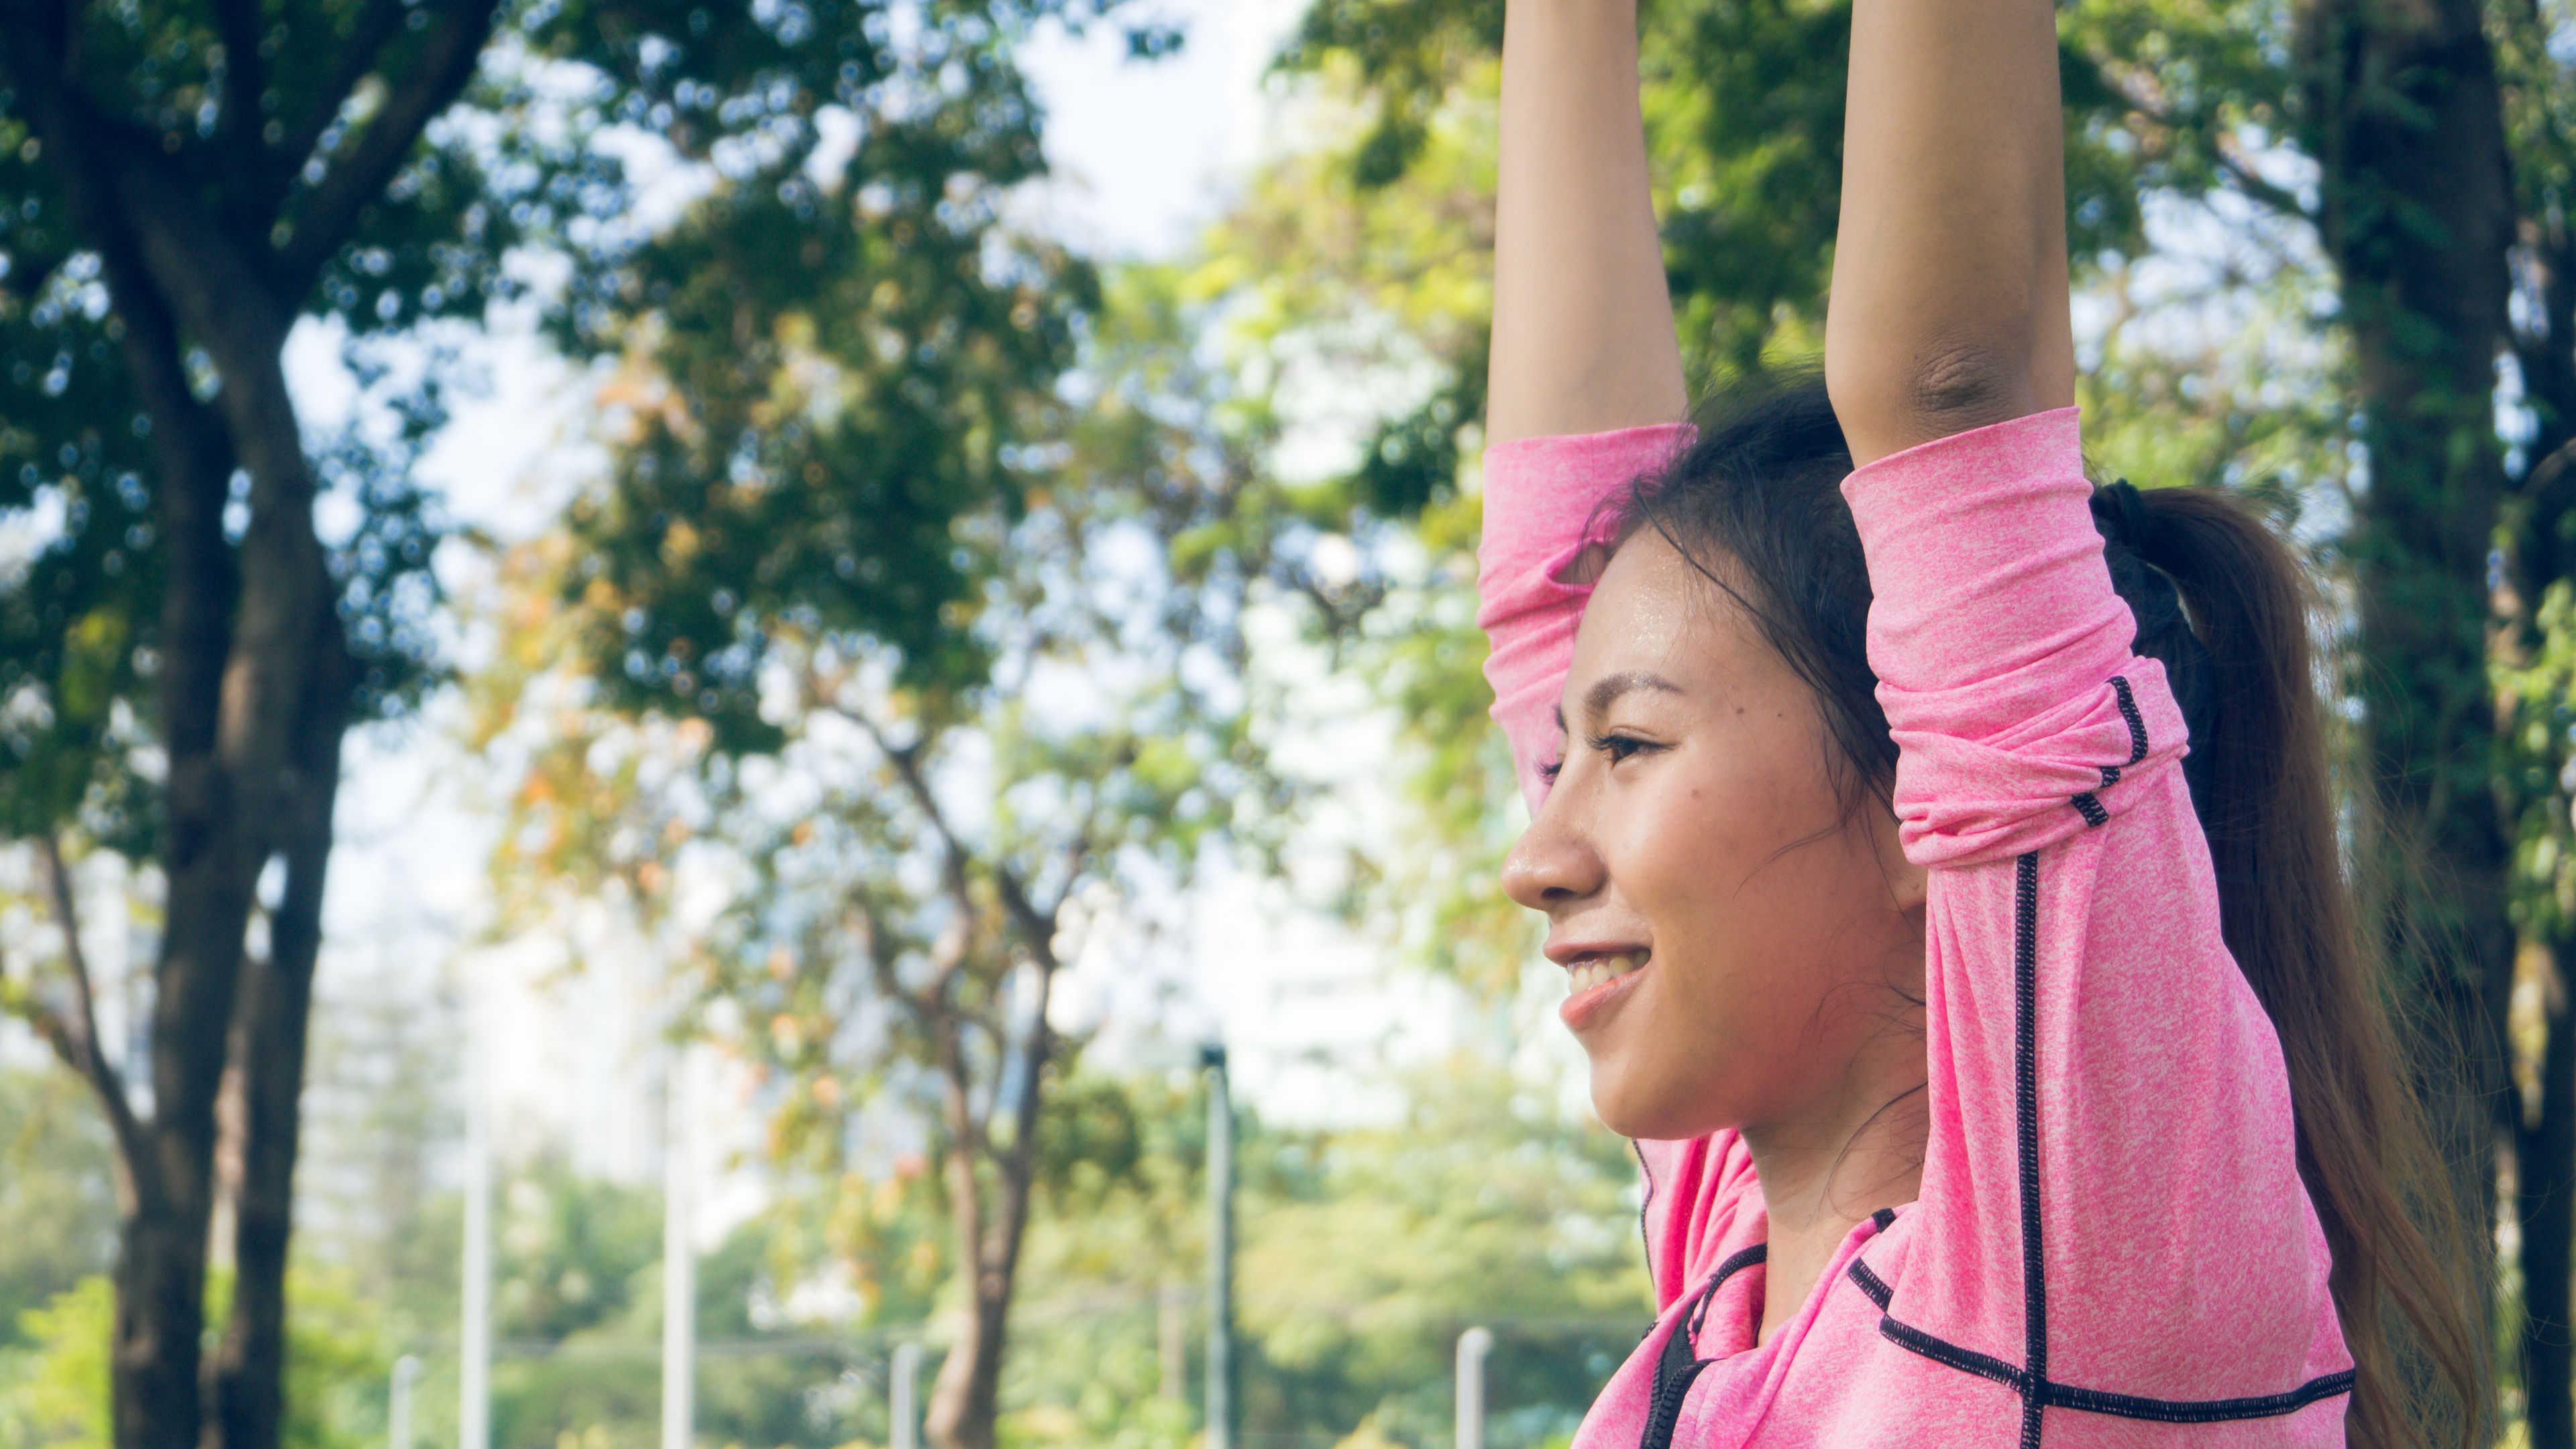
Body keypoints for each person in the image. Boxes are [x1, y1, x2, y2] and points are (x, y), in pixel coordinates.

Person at [1474, 0, 2487, 1443]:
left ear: (1922, 804)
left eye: (1628, 749)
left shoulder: (2079, 1276)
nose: (1540, 852)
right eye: (1574, 757)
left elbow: (1953, 387)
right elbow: (1552, 576)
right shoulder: (1745, 1273)